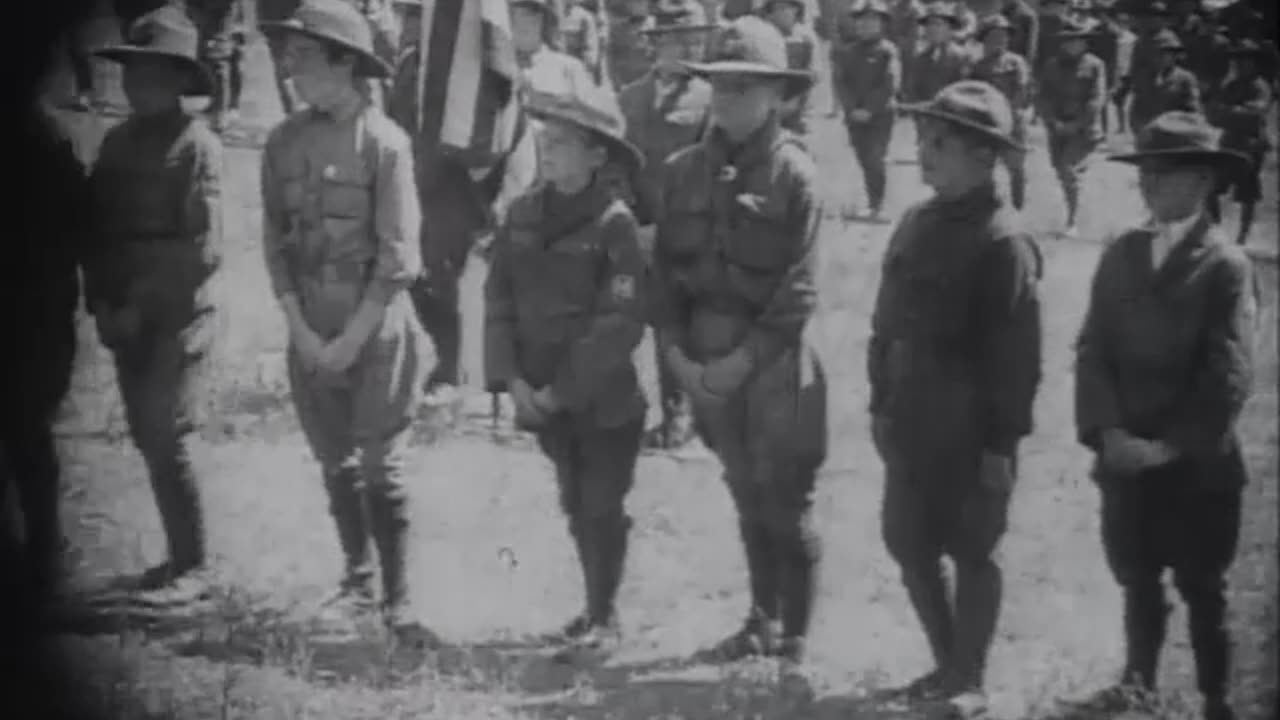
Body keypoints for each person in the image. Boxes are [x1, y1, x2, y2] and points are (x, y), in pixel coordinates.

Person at [260, 0, 438, 646]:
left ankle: (398, 600)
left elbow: (398, 261)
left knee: (379, 466)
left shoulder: (385, 144)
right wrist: (304, 334)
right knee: (333, 461)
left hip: (376, 328)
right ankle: (356, 579)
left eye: (303, 55)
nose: (289, 66)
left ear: (344, 62)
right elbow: (273, 245)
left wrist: (349, 340)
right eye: (288, 54)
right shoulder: (281, 142)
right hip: (309, 323)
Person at [654, 15, 826, 668]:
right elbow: (663, 277)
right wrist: (680, 361)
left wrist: (738, 364)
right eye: (719, 87)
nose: (727, 102)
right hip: (703, 362)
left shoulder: (796, 177)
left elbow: (799, 291)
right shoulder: (682, 172)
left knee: (785, 502)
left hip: (775, 368)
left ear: (778, 95)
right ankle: (761, 620)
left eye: (744, 89)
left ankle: (795, 649)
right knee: (745, 493)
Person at [1073, 110, 1256, 720]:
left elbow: (1227, 373)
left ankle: (1216, 699)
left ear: (1204, 183)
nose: (1151, 186)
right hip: (1127, 456)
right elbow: (1093, 346)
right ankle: (1138, 681)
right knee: (1137, 576)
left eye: (1168, 174)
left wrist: (1170, 446)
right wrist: (1109, 431)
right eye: (1146, 172)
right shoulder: (1123, 252)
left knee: (1203, 587)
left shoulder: (1224, 266)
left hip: (1195, 465)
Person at [869, 79, 1042, 719]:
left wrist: (1002, 444)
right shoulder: (916, 221)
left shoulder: (1004, 241)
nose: (926, 152)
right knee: (908, 542)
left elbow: (1017, 361)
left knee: (972, 549)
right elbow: (883, 325)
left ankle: (969, 678)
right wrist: (879, 404)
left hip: (970, 430)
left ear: (984, 156)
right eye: (924, 138)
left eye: (941, 142)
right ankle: (945, 664)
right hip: (909, 416)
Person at [485, 85, 648, 658]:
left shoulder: (615, 225)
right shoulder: (522, 213)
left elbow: (619, 322)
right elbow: (498, 298)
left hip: (602, 404)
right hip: (539, 395)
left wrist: (560, 391)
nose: (548, 152)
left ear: (598, 156)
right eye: (544, 141)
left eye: (563, 144)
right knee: (576, 503)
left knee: (602, 506)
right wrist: (512, 381)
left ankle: (607, 617)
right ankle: (592, 611)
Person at [83, 4, 224, 610]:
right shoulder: (115, 144)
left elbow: (202, 249)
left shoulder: (198, 148)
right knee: (144, 433)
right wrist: (105, 305)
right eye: (131, 73)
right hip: (123, 314)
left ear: (177, 82)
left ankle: (196, 564)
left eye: (151, 74)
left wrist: (143, 305)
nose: (136, 85)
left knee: (170, 433)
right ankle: (174, 557)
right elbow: (92, 233)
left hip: (177, 314)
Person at [618, 0, 715, 450]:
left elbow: (710, 168)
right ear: (654, 44)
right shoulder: (630, 96)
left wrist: (672, 225)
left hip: (690, 234)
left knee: (681, 324)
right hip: (636, 231)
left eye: (690, 40)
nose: (681, 48)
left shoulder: (711, 99)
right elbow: (616, 165)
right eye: (672, 40)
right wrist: (633, 221)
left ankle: (683, 414)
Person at [4, 104, 89, 613]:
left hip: (32, 312)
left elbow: (73, 227)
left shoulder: (43, 137)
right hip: (38, 307)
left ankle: (43, 558)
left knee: (26, 434)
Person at [1037, 18, 1106, 238]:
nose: (1073, 45)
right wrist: (1053, 121)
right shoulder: (1051, 65)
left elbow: (1097, 98)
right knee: (1060, 170)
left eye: (1078, 41)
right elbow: (1042, 97)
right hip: (1057, 127)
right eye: (1068, 41)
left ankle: (1072, 221)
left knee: (1069, 170)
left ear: (1085, 43)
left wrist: (1077, 124)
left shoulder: (1095, 65)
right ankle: (1073, 206)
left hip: (1084, 129)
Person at [831, 0, 901, 220]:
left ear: (882, 25)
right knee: (863, 158)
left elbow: (890, 83)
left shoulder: (888, 51)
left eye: (872, 22)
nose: (866, 26)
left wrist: (870, 109)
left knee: (875, 158)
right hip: (854, 117)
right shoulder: (848, 52)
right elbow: (840, 83)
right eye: (862, 22)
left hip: (881, 115)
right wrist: (852, 108)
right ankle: (872, 202)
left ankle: (878, 205)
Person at [1206, 39, 1272, 247]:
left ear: (1254, 62)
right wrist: (1231, 112)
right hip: (1229, 141)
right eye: (1238, 59)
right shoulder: (1231, 86)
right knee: (1211, 188)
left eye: (1246, 59)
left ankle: (1242, 238)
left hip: (1251, 145)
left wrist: (1229, 112)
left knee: (1247, 193)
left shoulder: (1260, 86)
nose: (1241, 64)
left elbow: (1255, 112)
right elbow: (1213, 114)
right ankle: (1214, 230)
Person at [969, 13, 1029, 210]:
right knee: (983, 167)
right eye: (995, 36)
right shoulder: (977, 66)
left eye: (1004, 35)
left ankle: (1017, 209)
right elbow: (975, 93)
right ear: (985, 39)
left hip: (1013, 124)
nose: (1000, 40)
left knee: (1017, 170)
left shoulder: (1016, 62)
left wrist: (1008, 117)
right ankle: (988, 207)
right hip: (987, 124)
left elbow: (1021, 91)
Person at [762, 0, 817, 134]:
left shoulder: (805, 37)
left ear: (796, 10)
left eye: (787, 8)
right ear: (771, 13)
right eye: (778, 8)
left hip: (796, 100)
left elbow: (814, 73)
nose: (783, 12)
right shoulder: (763, 35)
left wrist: (795, 101)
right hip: (767, 100)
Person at [905, 2, 971, 105]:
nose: (932, 29)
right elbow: (912, 92)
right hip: (924, 114)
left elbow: (964, 92)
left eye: (938, 24)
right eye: (929, 25)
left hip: (951, 116)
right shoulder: (920, 58)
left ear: (949, 29)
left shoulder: (960, 57)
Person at [259, 0, 305, 113]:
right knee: (289, 72)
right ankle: (295, 112)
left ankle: (293, 112)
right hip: (292, 23)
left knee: (284, 74)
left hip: (276, 23)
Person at [561, 0, 605, 83]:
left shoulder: (583, 16)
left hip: (578, 66)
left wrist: (590, 62)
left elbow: (591, 40)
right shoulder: (549, 15)